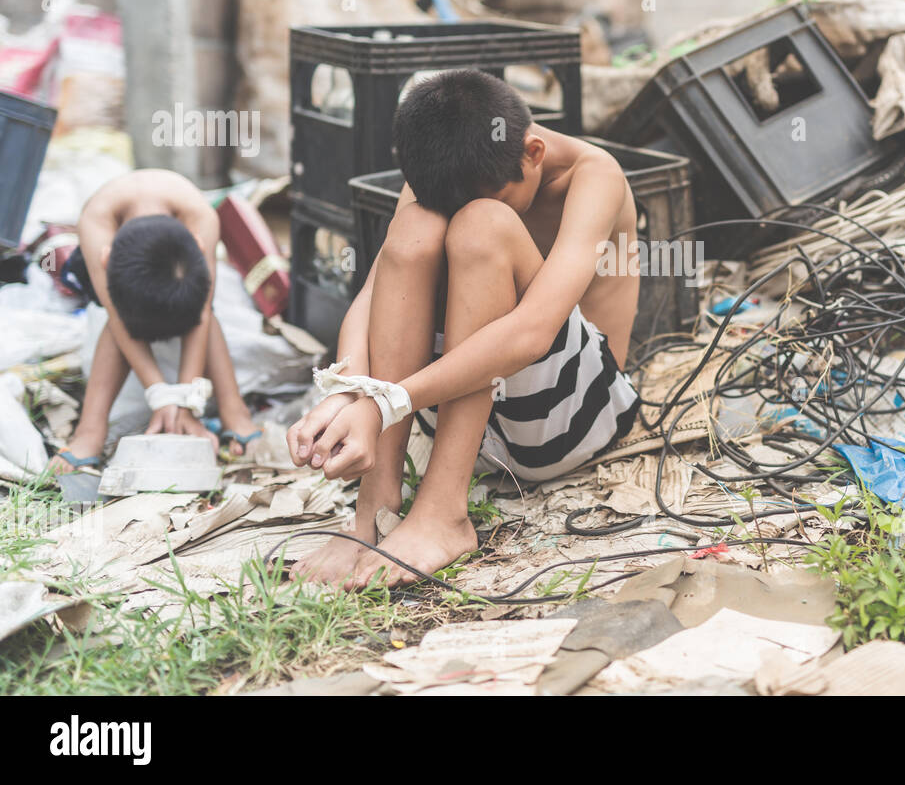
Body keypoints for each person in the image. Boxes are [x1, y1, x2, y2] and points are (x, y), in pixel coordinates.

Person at [288, 69, 641, 588]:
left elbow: (531, 333)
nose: (463, 211)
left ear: (534, 153)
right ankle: (375, 510)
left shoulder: (595, 176)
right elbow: (373, 292)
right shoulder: (447, 163)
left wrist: (385, 402)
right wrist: (349, 391)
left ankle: (442, 512)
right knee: (413, 230)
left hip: (570, 420)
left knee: (482, 226)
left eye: (499, 193)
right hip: (469, 418)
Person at [50, 169, 261, 473]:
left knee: (207, 314)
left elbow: (201, 310)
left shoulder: (200, 216)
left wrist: (186, 399)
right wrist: (160, 393)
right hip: (122, 310)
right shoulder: (97, 222)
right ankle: (89, 431)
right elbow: (116, 314)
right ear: (107, 260)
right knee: (115, 323)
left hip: (180, 295)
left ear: (199, 248)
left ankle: (235, 412)